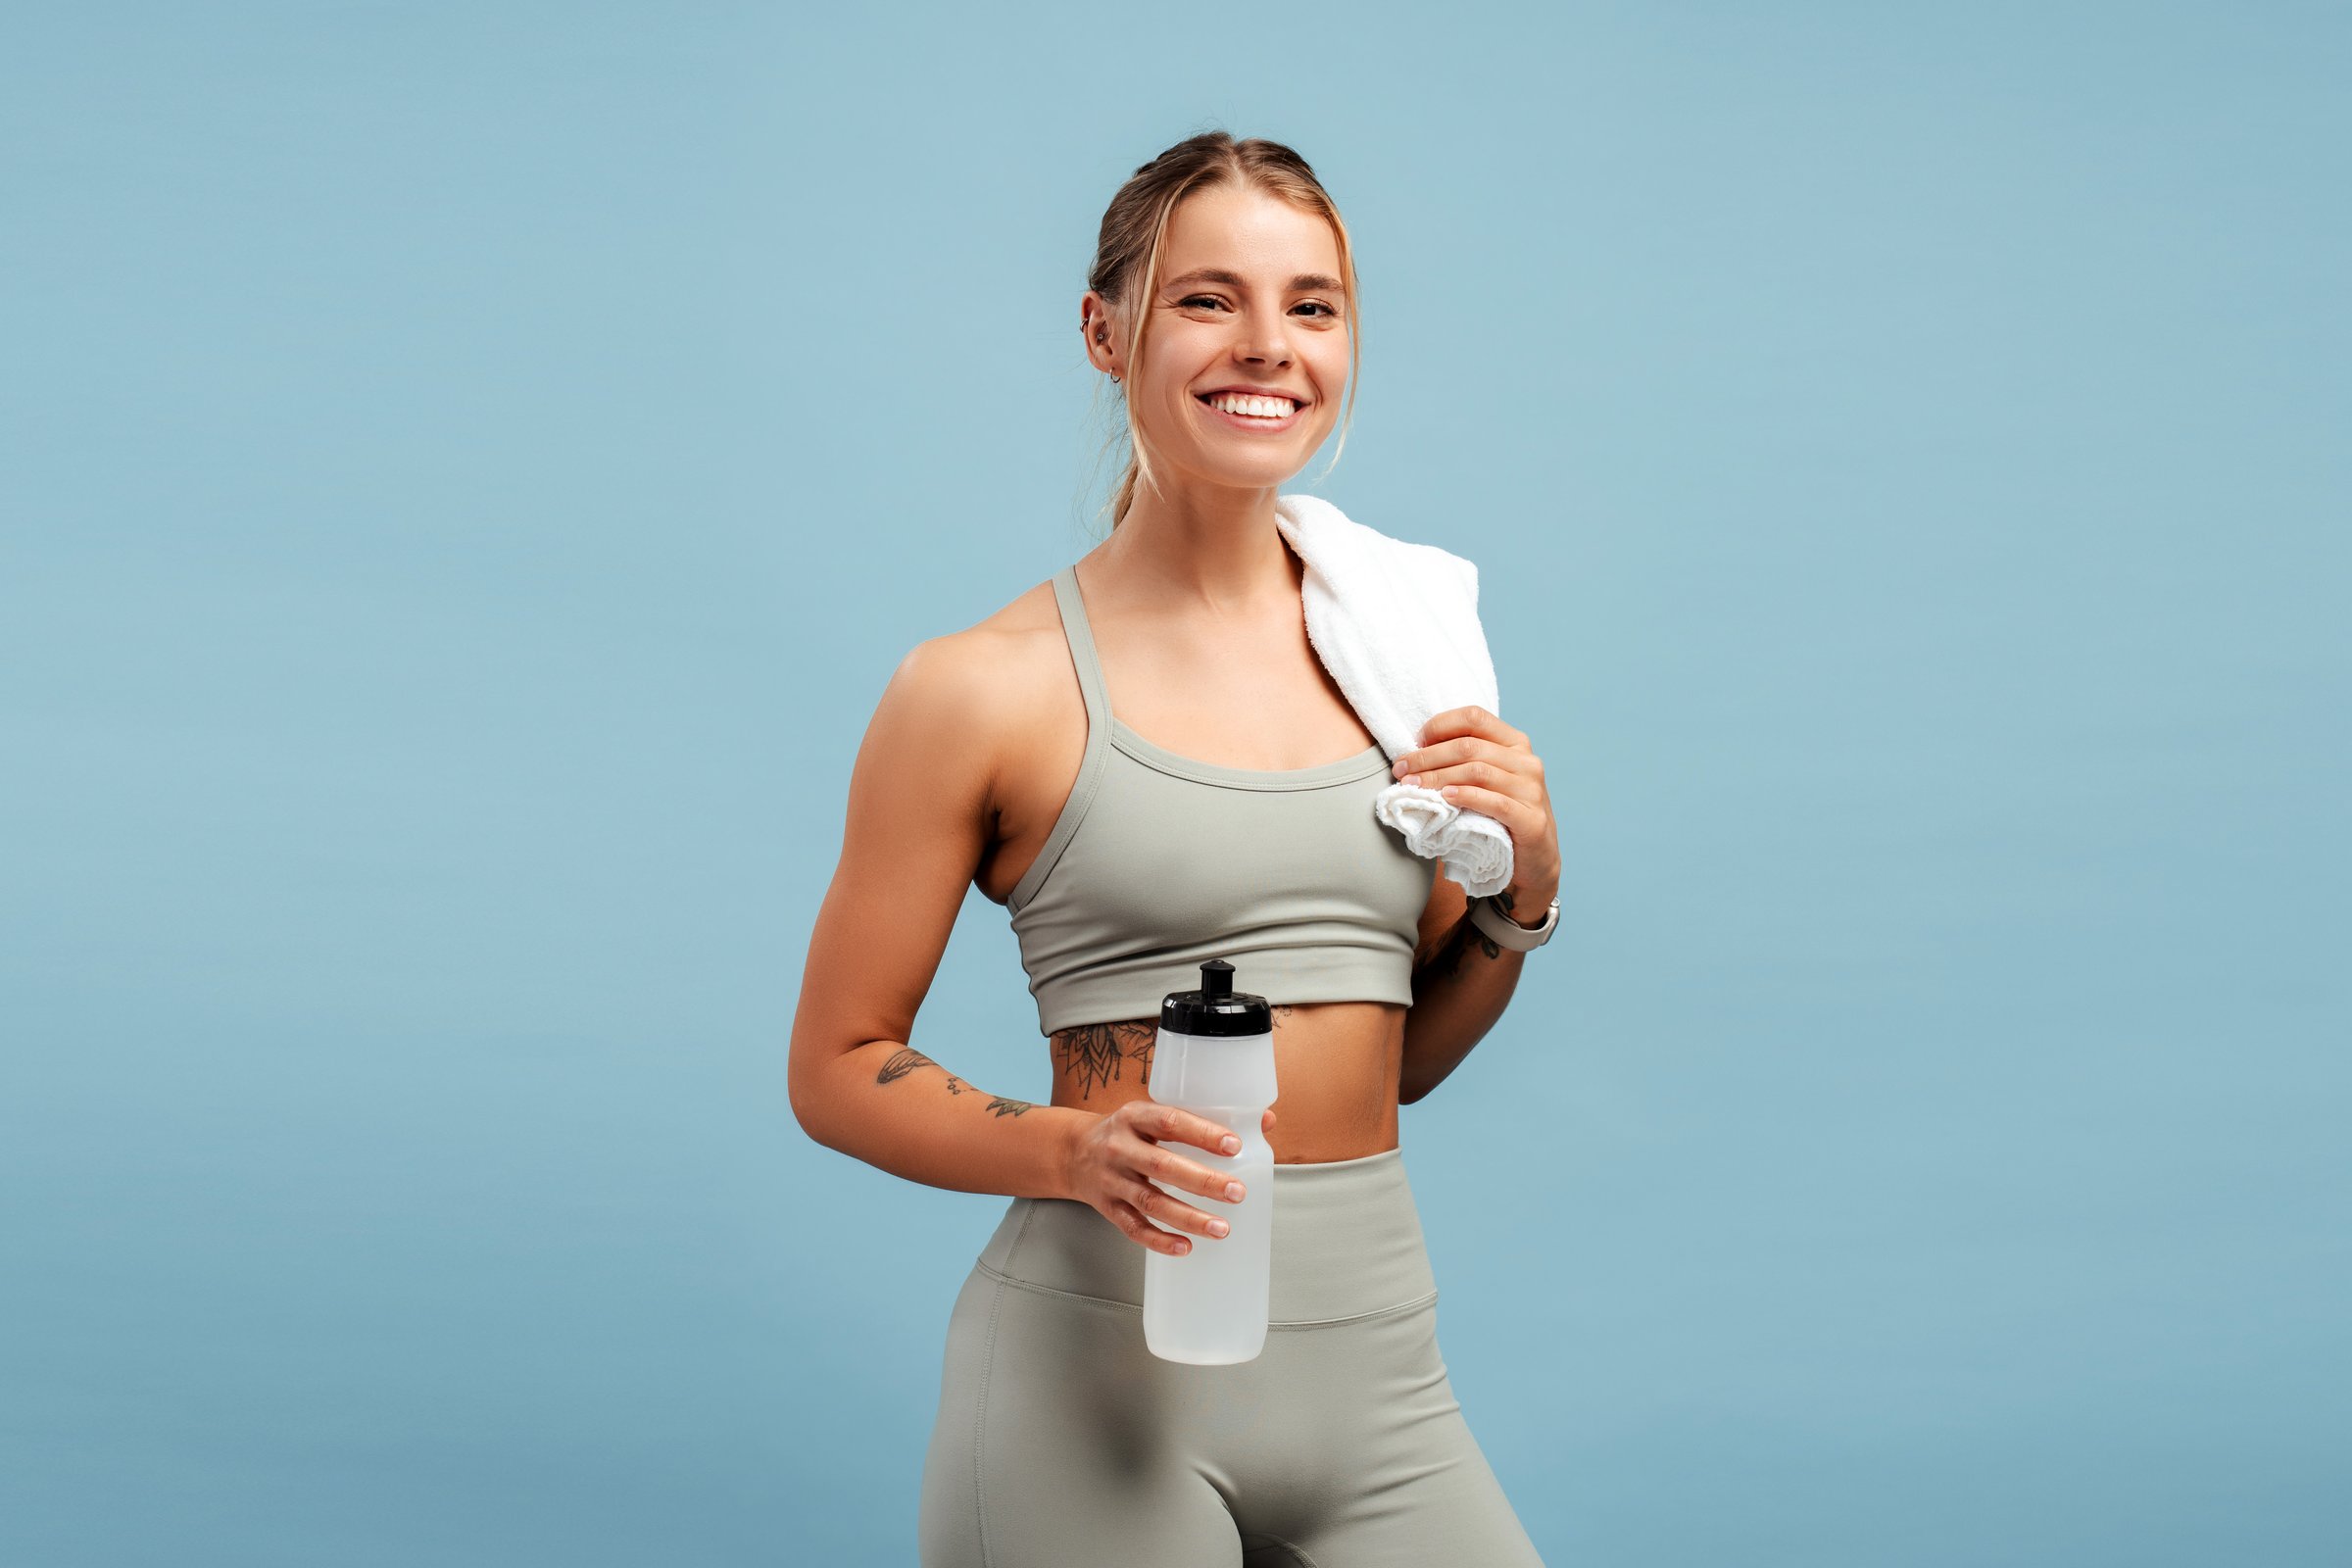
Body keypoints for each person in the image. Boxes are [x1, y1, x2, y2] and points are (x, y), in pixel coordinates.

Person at [788, 129, 1563, 1567]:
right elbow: (835, 1068)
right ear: (1106, 331)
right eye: (1209, 299)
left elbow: (1393, 1061)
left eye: (1312, 305)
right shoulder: (982, 688)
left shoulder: (1401, 649)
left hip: (1382, 1375)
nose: (1268, 347)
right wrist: (1077, 1150)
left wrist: (1523, 900)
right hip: (1096, 1389)